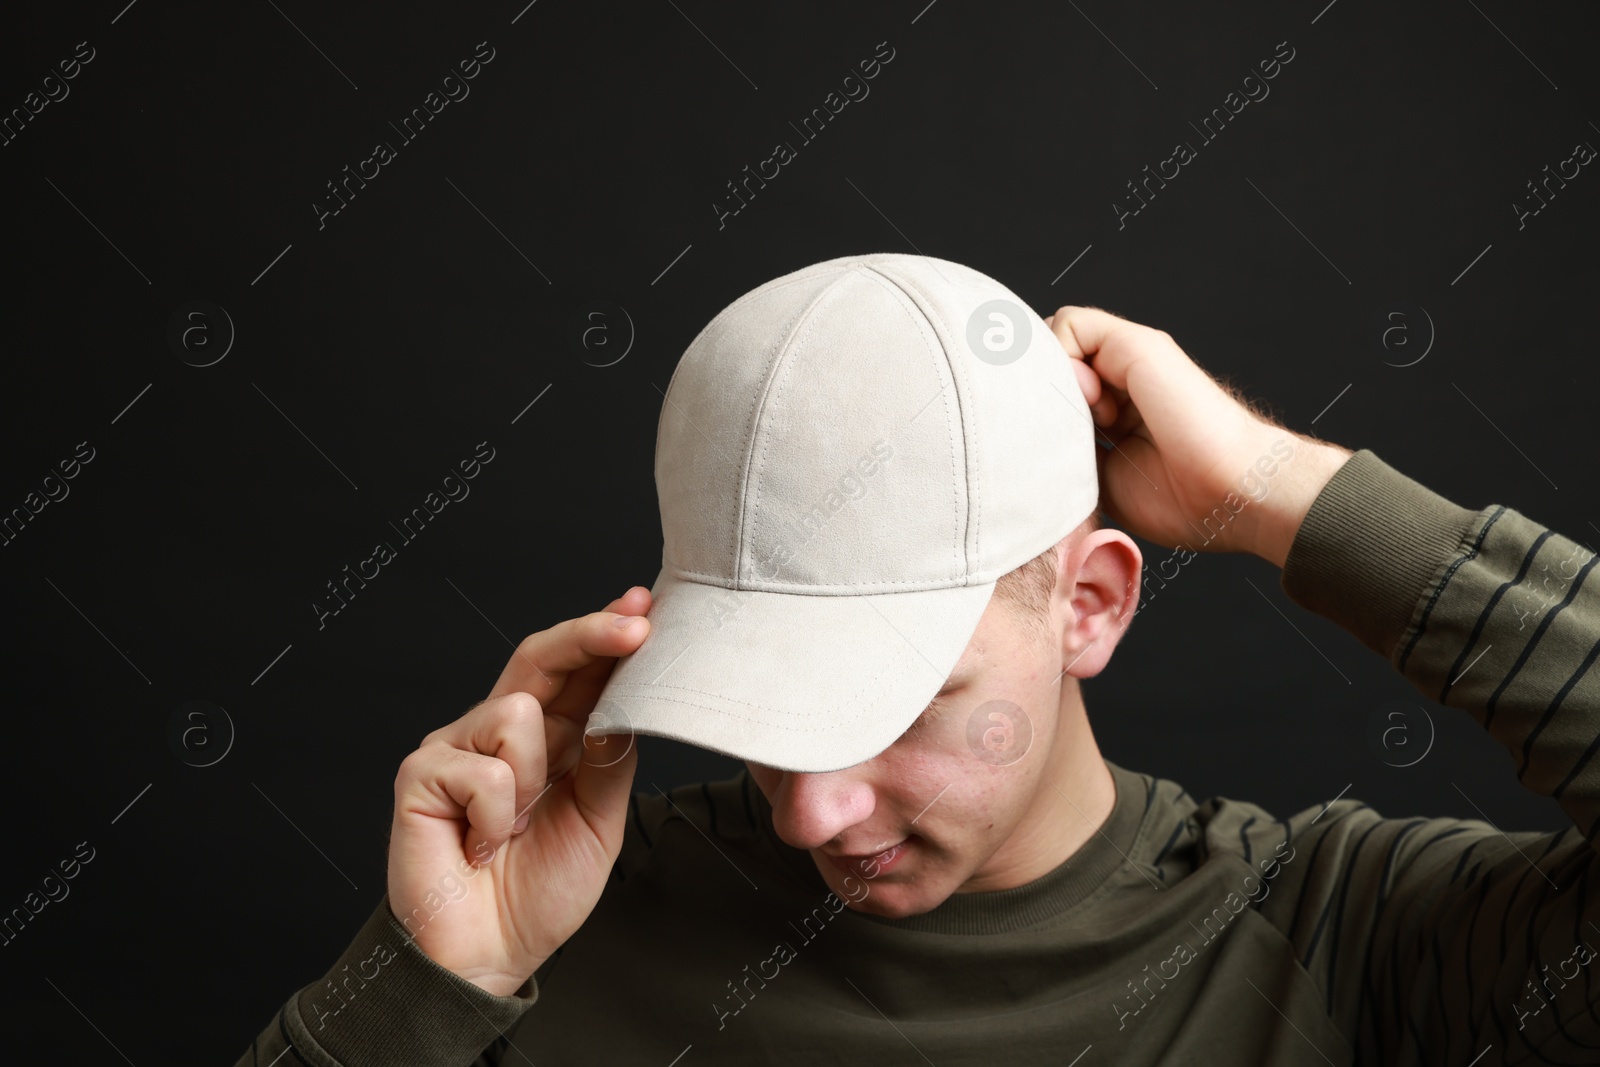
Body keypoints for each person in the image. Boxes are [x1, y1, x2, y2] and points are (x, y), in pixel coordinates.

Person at [235, 254, 1599, 1066]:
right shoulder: (564, 927)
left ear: (1092, 606)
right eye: (760, 703)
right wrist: (427, 989)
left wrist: (1278, 488)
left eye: (891, 703)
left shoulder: (1334, 943)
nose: (810, 809)